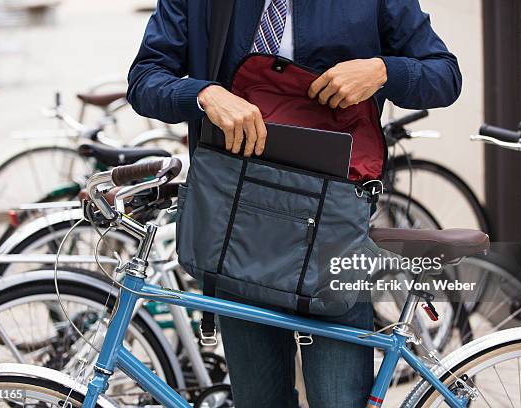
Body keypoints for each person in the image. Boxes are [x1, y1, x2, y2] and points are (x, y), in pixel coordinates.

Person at [128, 1, 461, 406]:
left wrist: (383, 71)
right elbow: (144, 79)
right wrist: (203, 94)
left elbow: (445, 74)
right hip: (236, 230)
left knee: (339, 400)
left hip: (333, 234)